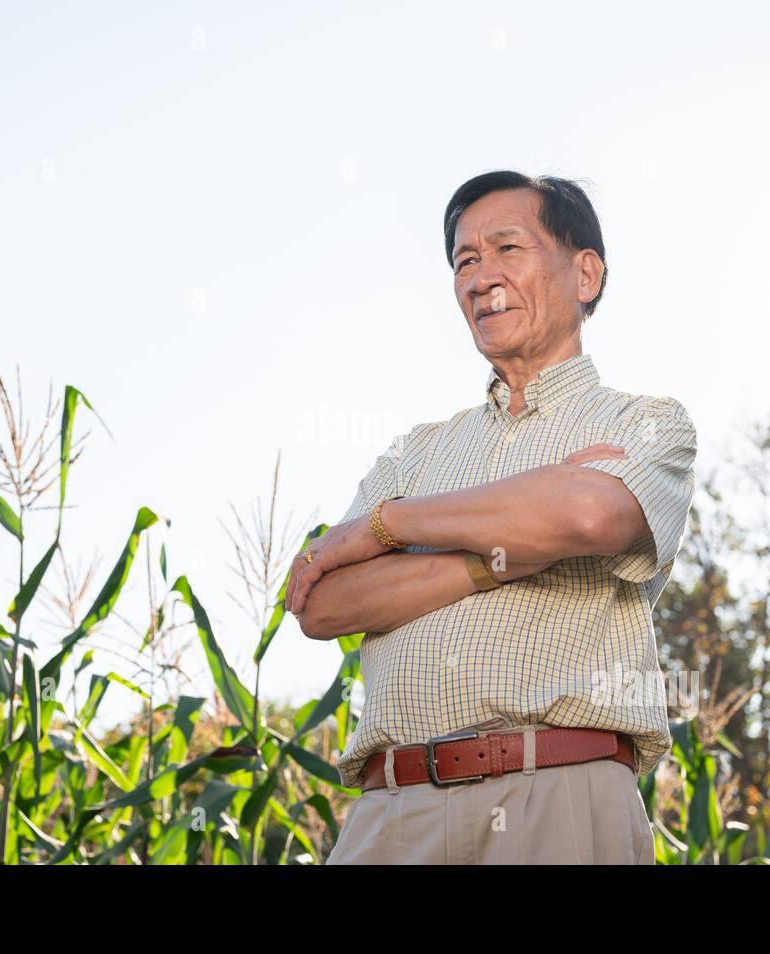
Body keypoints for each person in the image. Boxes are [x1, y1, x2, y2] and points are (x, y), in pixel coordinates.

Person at [286, 170, 697, 864]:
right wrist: (496, 554)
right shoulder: (413, 452)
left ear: (586, 274)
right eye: (465, 261)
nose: (481, 277)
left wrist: (387, 526)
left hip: (560, 797)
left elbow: (592, 517)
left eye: (508, 249)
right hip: (393, 810)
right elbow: (322, 602)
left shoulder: (646, 422)